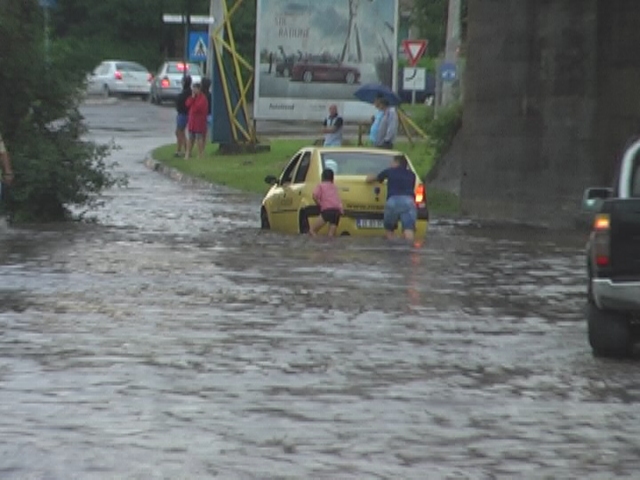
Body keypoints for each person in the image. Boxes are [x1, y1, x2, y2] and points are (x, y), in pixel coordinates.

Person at [366, 154, 417, 241]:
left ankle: (390, 250)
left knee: (389, 230)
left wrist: (369, 176)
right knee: (408, 229)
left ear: (397, 163)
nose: (390, 164)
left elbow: (371, 179)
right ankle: (411, 252)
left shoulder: (389, 171)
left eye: (392, 162)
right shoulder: (412, 175)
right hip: (408, 201)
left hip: (393, 201)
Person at [310, 168, 343, 237]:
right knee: (331, 235)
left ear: (322, 177)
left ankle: (317, 244)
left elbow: (314, 196)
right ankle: (330, 247)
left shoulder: (321, 186)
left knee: (312, 230)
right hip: (337, 212)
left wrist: (319, 204)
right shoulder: (334, 187)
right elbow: (338, 200)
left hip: (327, 211)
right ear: (332, 178)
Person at [185, 82, 209, 159]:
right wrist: (192, 98)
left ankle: (200, 154)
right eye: (193, 89)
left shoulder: (203, 98)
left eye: (195, 89)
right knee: (190, 138)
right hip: (192, 121)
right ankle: (188, 153)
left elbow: (197, 108)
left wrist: (193, 103)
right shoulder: (193, 97)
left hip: (199, 121)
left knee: (199, 137)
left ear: (199, 89)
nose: (194, 91)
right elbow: (187, 104)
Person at [174, 75, 192, 157]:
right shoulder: (189, 92)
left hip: (183, 114)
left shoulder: (185, 94)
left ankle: (182, 150)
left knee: (180, 132)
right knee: (180, 132)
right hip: (184, 114)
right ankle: (180, 149)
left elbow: (180, 103)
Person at [201, 77, 213, 143]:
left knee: (200, 134)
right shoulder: (210, 96)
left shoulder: (200, 95)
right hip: (209, 116)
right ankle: (204, 143)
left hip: (202, 116)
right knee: (206, 134)